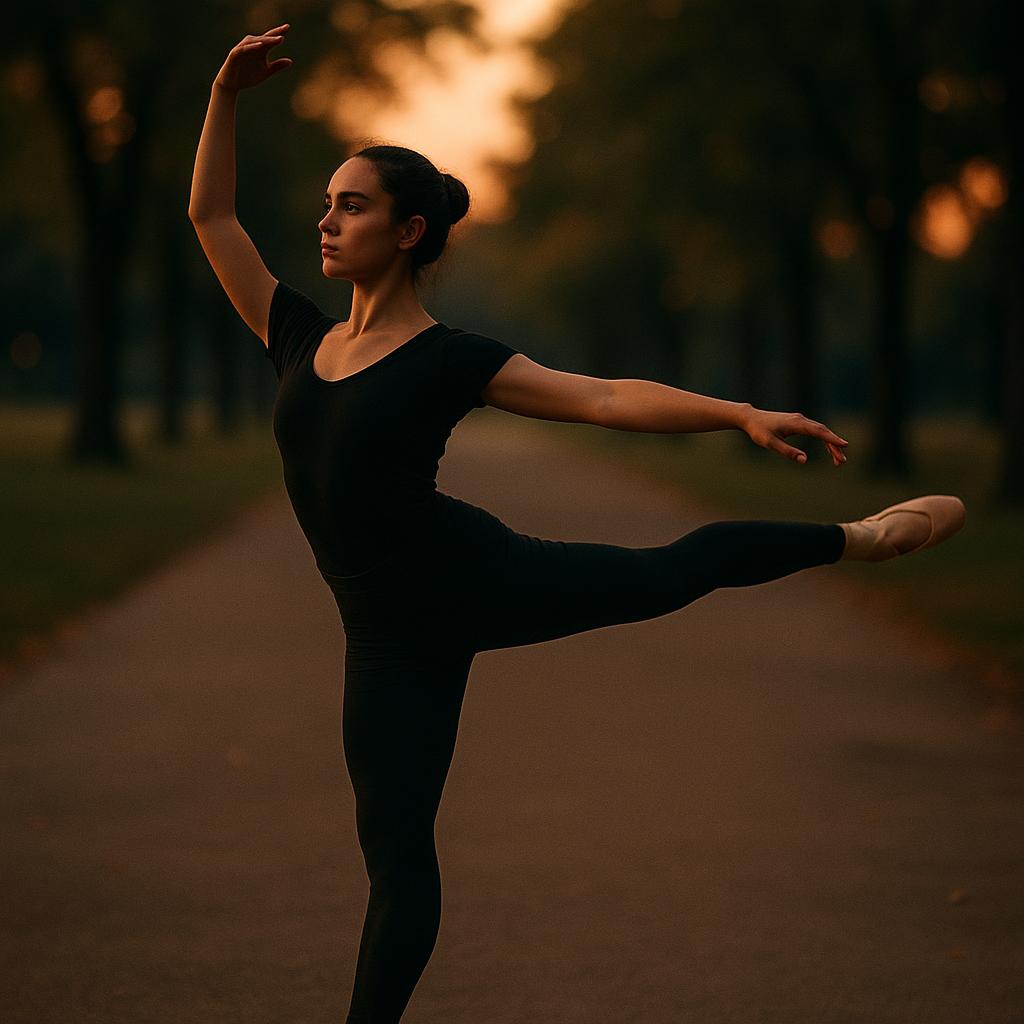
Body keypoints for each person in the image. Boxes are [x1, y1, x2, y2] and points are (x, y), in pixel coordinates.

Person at [189, 24, 966, 1024]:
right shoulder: (297, 331)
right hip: (380, 635)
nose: (327, 221)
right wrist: (223, 95)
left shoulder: (450, 357)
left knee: (669, 570)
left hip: (474, 573)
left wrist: (735, 412)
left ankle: (855, 539)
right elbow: (212, 215)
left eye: (352, 205)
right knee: (394, 849)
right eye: (327, 203)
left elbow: (601, 398)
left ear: (409, 230)